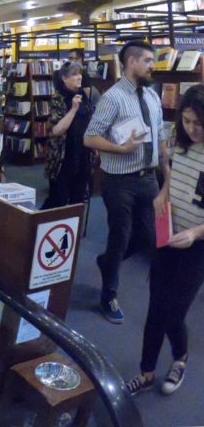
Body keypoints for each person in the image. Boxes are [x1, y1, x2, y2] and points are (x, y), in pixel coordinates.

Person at [125, 86, 204, 397]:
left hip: (196, 245)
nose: (192, 129)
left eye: (199, 122)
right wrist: (162, 193)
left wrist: (196, 233)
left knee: (174, 311)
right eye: (187, 121)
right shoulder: (179, 140)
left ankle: (180, 357)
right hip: (168, 232)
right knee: (156, 305)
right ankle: (146, 372)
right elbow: (173, 174)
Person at [84, 40, 168, 324]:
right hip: (119, 181)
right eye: (147, 60)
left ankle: (107, 262)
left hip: (149, 179)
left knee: (152, 238)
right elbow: (89, 137)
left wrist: (166, 175)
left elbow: (160, 139)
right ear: (131, 62)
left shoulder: (153, 97)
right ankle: (108, 296)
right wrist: (120, 149)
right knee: (120, 237)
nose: (151, 66)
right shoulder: (112, 98)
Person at [43, 61, 95, 209]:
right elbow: (57, 130)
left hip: (83, 155)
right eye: (74, 75)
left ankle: (74, 231)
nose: (79, 77)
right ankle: (42, 227)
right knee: (58, 200)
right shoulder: (57, 98)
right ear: (64, 78)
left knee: (78, 201)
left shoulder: (83, 95)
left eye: (80, 74)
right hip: (63, 158)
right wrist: (73, 110)